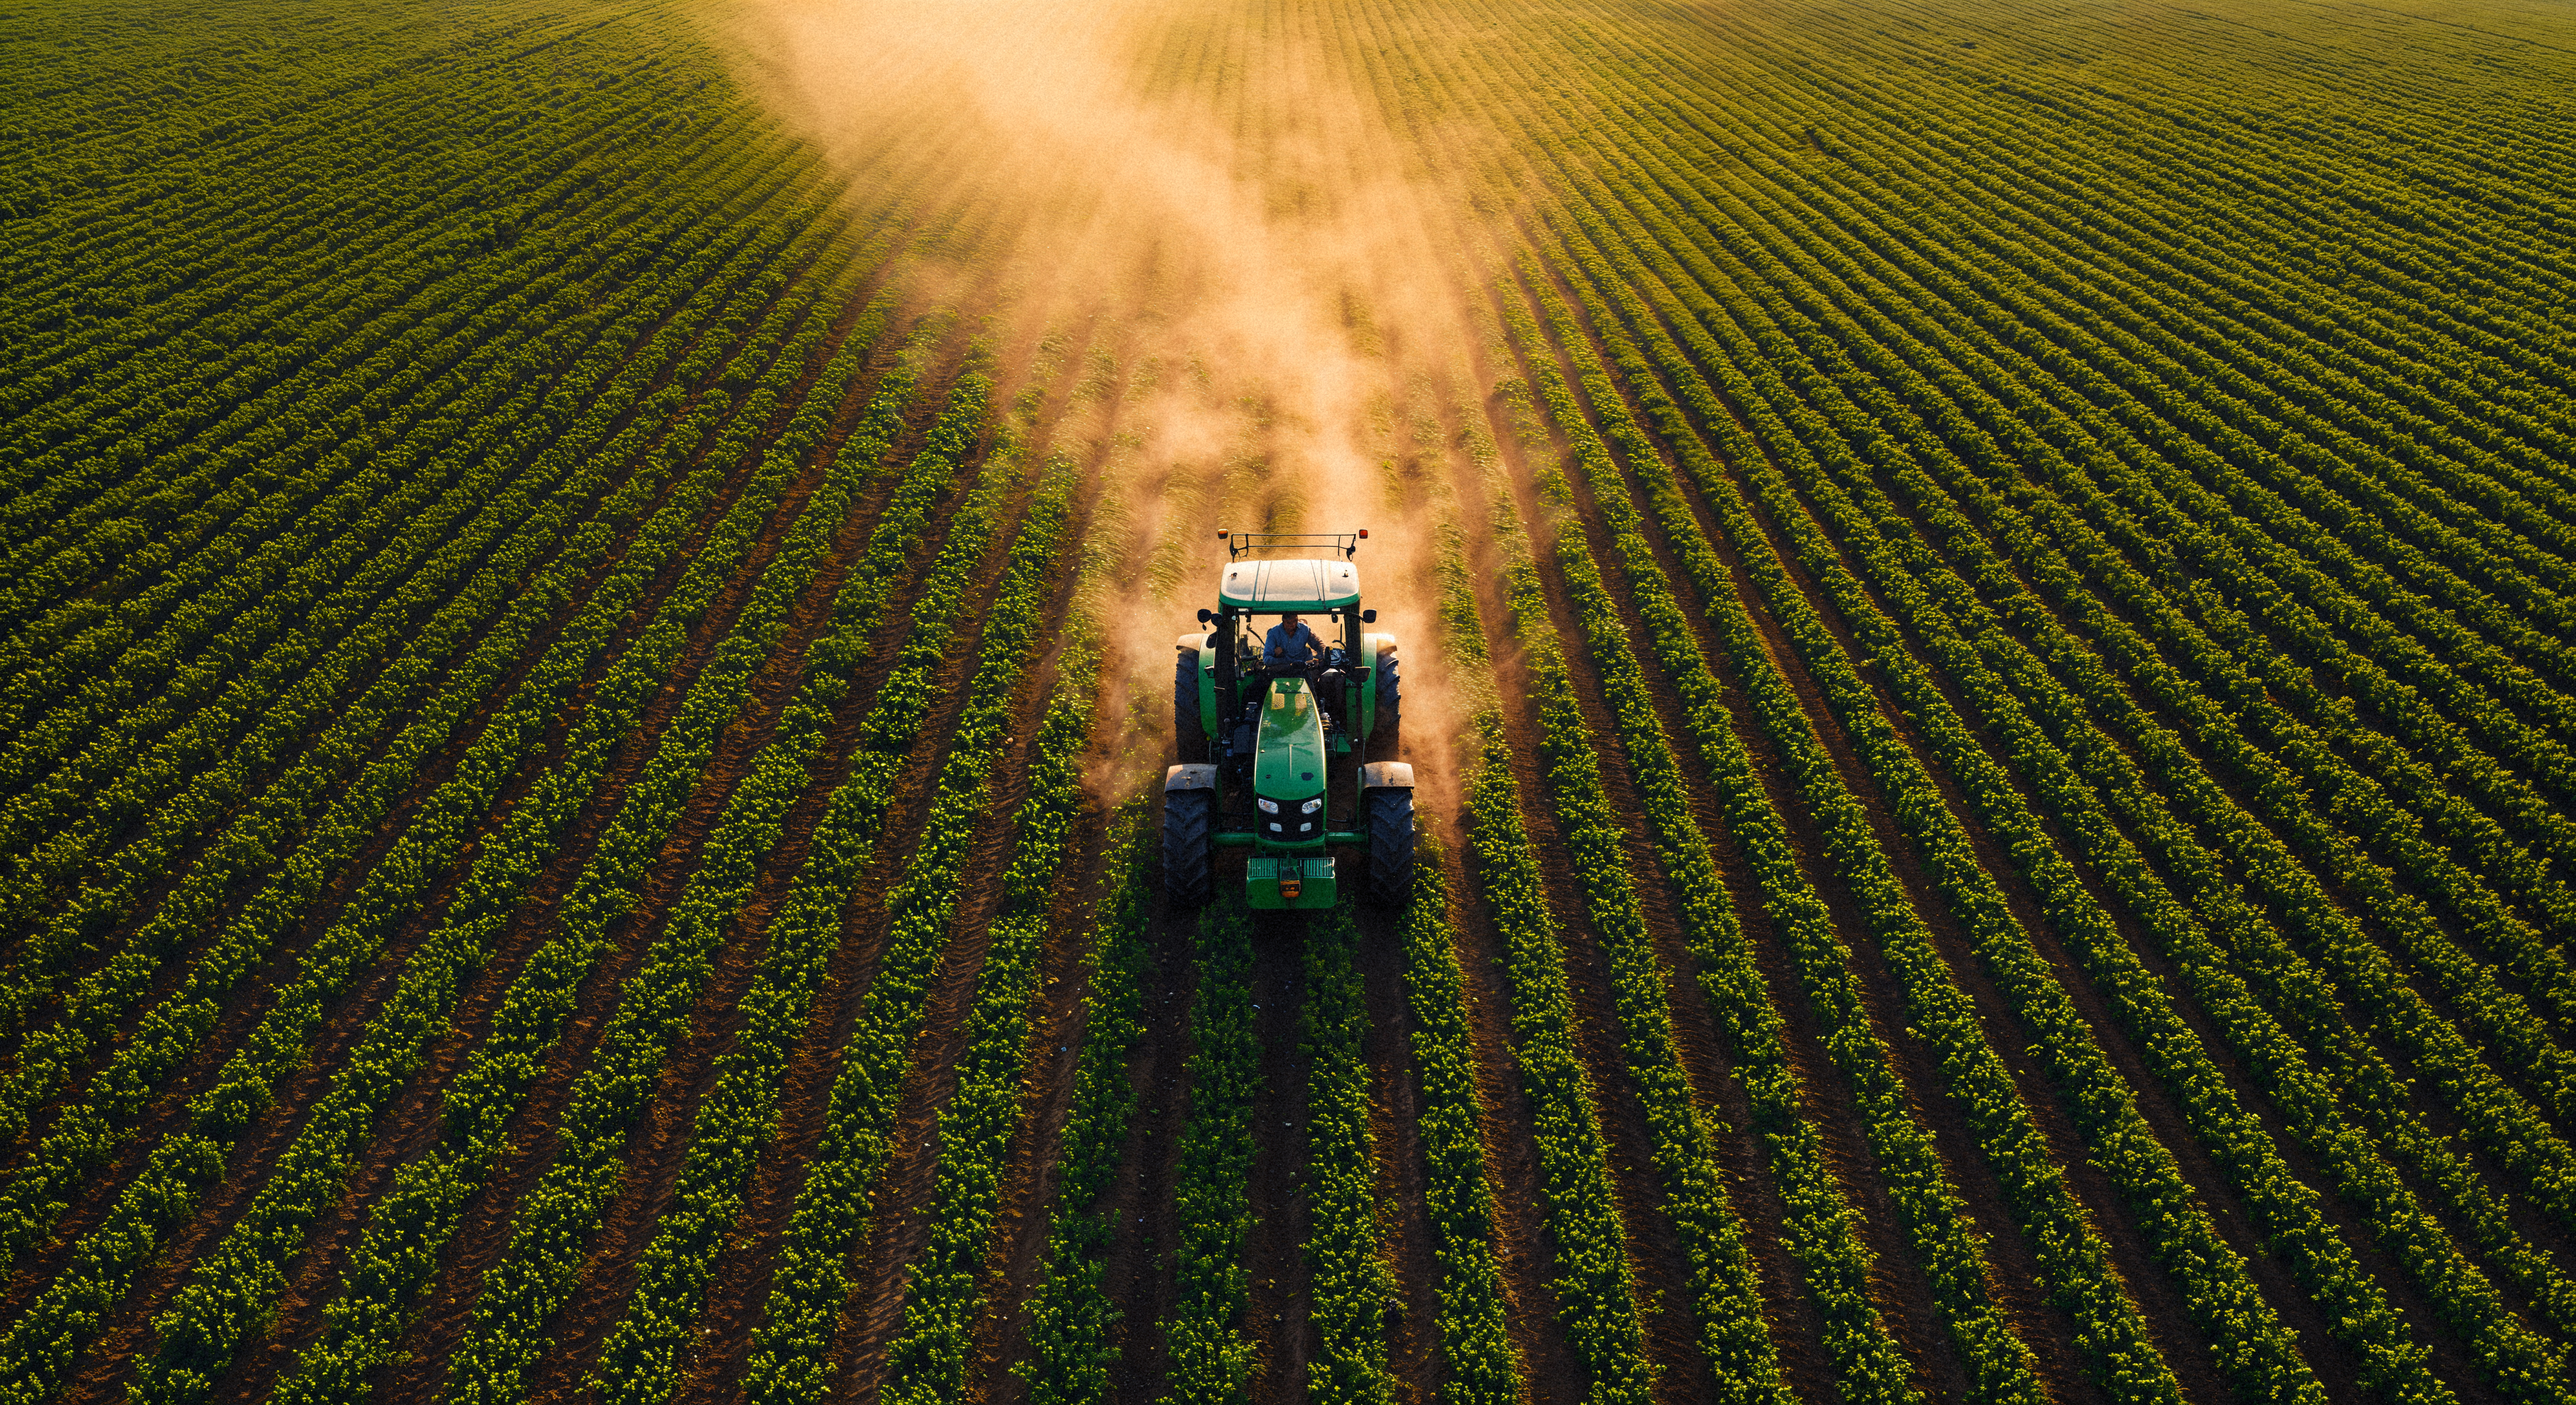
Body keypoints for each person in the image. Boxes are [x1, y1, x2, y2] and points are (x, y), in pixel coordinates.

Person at [1262, 612, 1326, 677]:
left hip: (1304, 668)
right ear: (1284, 622)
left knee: (1316, 681)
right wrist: (1284, 660)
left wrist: (1320, 658)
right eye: (1289, 623)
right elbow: (1267, 658)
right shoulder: (1274, 633)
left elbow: (1319, 645)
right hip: (1283, 670)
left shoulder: (1305, 630)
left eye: (1295, 621)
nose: (1293, 625)